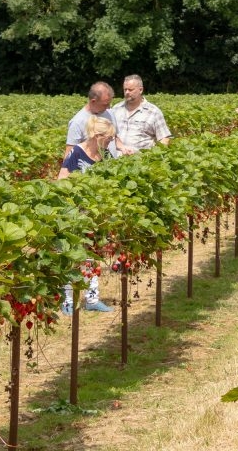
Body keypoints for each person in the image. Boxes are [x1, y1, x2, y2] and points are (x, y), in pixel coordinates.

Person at [57, 116, 116, 314]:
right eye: (108, 138)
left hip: (95, 214)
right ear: (97, 136)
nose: (110, 142)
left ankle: (92, 299)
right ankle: (67, 301)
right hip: (74, 212)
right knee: (70, 256)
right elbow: (62, 180)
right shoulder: (77, 152)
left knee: (91, 256)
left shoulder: (106, 155)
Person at [66, 81, 125, 161]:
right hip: (92, 170)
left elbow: (115, 137)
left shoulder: (110, 113)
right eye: (105, 104)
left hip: (111, 165)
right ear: (93, 101)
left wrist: (122, 147)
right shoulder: (77, 122)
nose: (108, 107)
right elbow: (69, 156)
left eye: (109, 104)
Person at [111, 75, 172, 152]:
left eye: (130, 90)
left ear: (140, 90)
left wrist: (154, 156)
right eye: (125, 89)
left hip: (140, 161)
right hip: (115, 160)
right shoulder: (116, 108)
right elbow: (108, 134)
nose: (127, 92)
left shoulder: (153, 112)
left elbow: (164, 138)